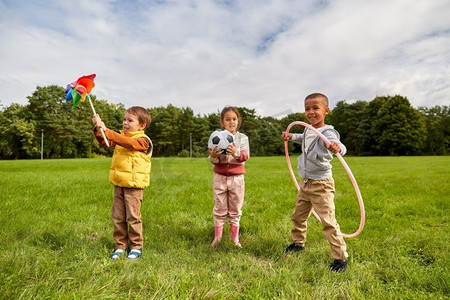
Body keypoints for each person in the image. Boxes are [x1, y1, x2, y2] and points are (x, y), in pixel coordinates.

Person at [282, 93, 348, 272]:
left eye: (315, 108)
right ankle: (298, 243)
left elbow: (339, 145)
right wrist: (291, 137)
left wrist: (336, 147)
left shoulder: (328, 131)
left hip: (321, 184)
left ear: (326, 111)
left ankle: (340, 258)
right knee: (298, 216)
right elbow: (304, 138)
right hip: (305, 183)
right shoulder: (308, 129)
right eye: (307, 109)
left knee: (328, 221)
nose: (311, 112)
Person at [92, 106, 153, 260]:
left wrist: (107, 130)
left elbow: (129, 143)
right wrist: (99, 130)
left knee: (133, 217)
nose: (125, 123)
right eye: (124, 119)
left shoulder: (143, 141)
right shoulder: (119, 137)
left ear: (142, 125)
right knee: (118, 216)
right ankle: (120, 246)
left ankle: (136, 246)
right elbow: (106, 143)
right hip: (119, 184)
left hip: (134, 187)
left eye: (130, 120)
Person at [208, 106, 250, 248]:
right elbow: (213, 160)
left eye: (234, 119)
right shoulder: (216, 137)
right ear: (222, 122)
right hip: (219, 177)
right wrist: (213, 156)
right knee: (219, 207)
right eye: (227, 119)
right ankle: (217, 238)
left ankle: (234, 239)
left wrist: (236, 152)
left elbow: (245, 156)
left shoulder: (242, 138)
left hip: (236, 179)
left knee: (235, 208)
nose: (231, 122)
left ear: (238, 121)